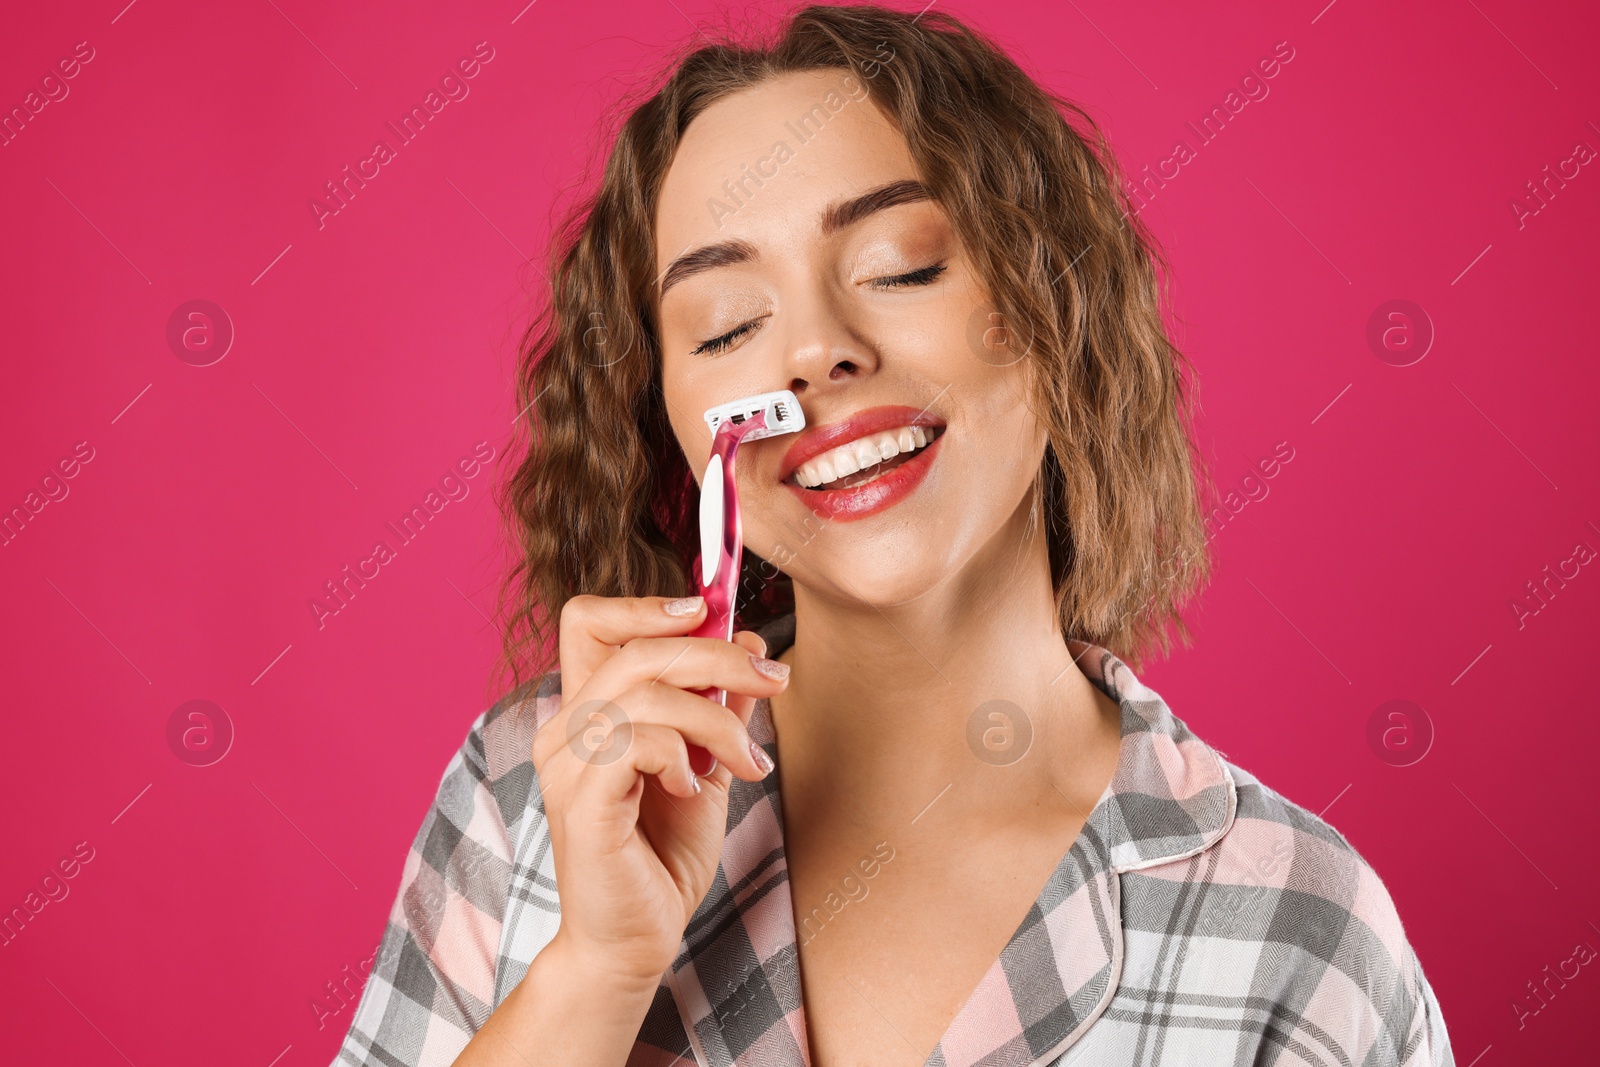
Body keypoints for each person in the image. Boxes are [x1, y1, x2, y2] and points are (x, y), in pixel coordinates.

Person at [329, 5, 1453, 1065]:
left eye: (901, 266)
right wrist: (596, 968)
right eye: (725, 326)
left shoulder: (1292, 924)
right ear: (671, 422)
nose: (813, 352)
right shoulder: (531, 787)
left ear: (1052, 304)